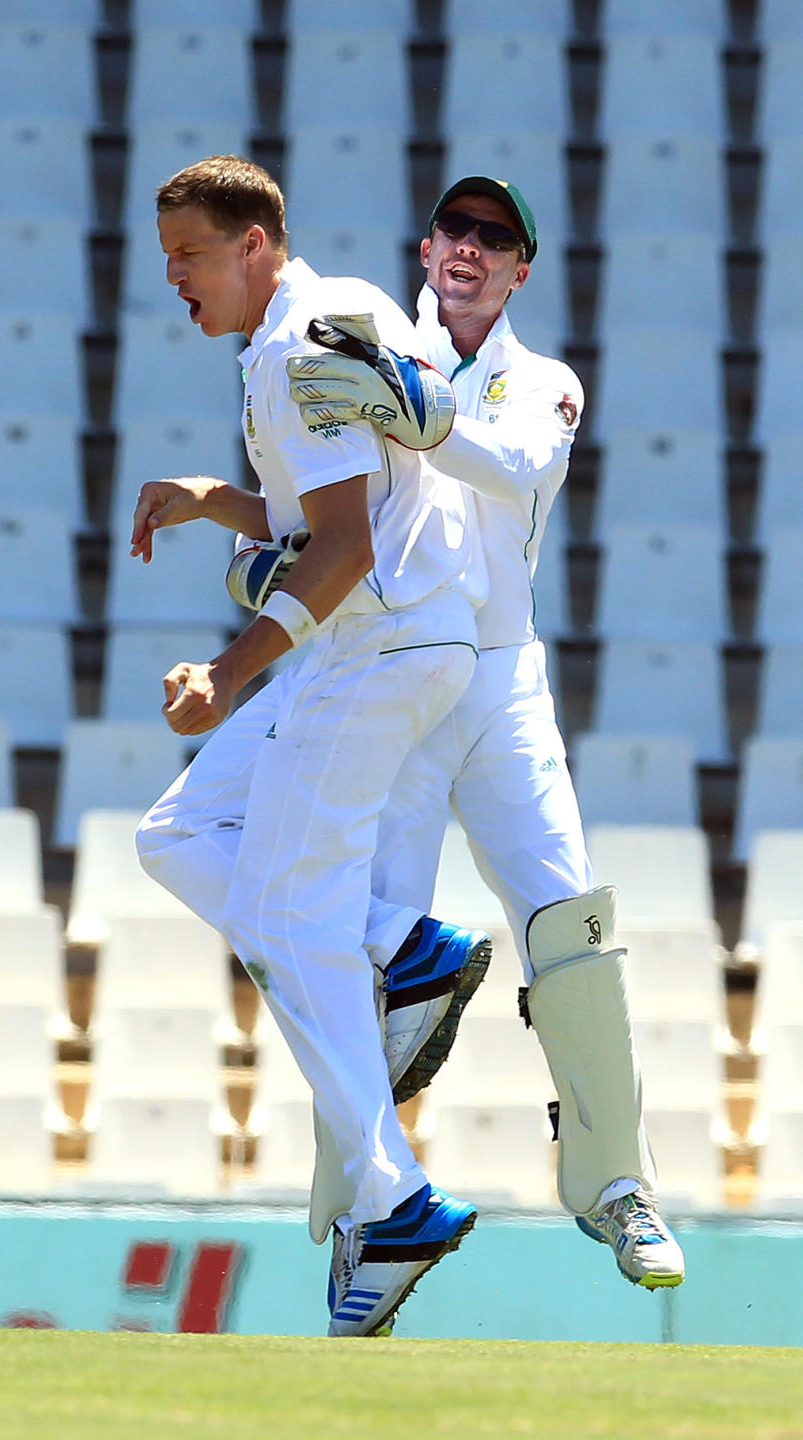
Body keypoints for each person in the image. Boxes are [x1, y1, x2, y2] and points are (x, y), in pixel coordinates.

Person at [285, 175, 686, 1290]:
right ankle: (372, 1211)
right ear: (427, 245)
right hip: (395, 681)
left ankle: (618, 1186)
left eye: (494, 237)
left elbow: (511, 465)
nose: (468, 247)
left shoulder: (544, 382)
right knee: (380, 953)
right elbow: (317, 499)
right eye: (455, 228)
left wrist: (408, 402)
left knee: (571, 924)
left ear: (520, 269)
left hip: (502, 690)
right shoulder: (362, 341)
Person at [130, 154, 487, 1338]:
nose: (171, 276)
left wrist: (229, 677)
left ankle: (397, 1202)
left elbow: (341, 550)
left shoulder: (290, 355)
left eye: (188, 254)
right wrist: (215, 500)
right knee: (177, 835)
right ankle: (402, 944)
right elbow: (341, 506)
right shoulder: (343, 311)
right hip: (408, 640)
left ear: (253, 246)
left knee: (286, 928)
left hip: (374, 652)